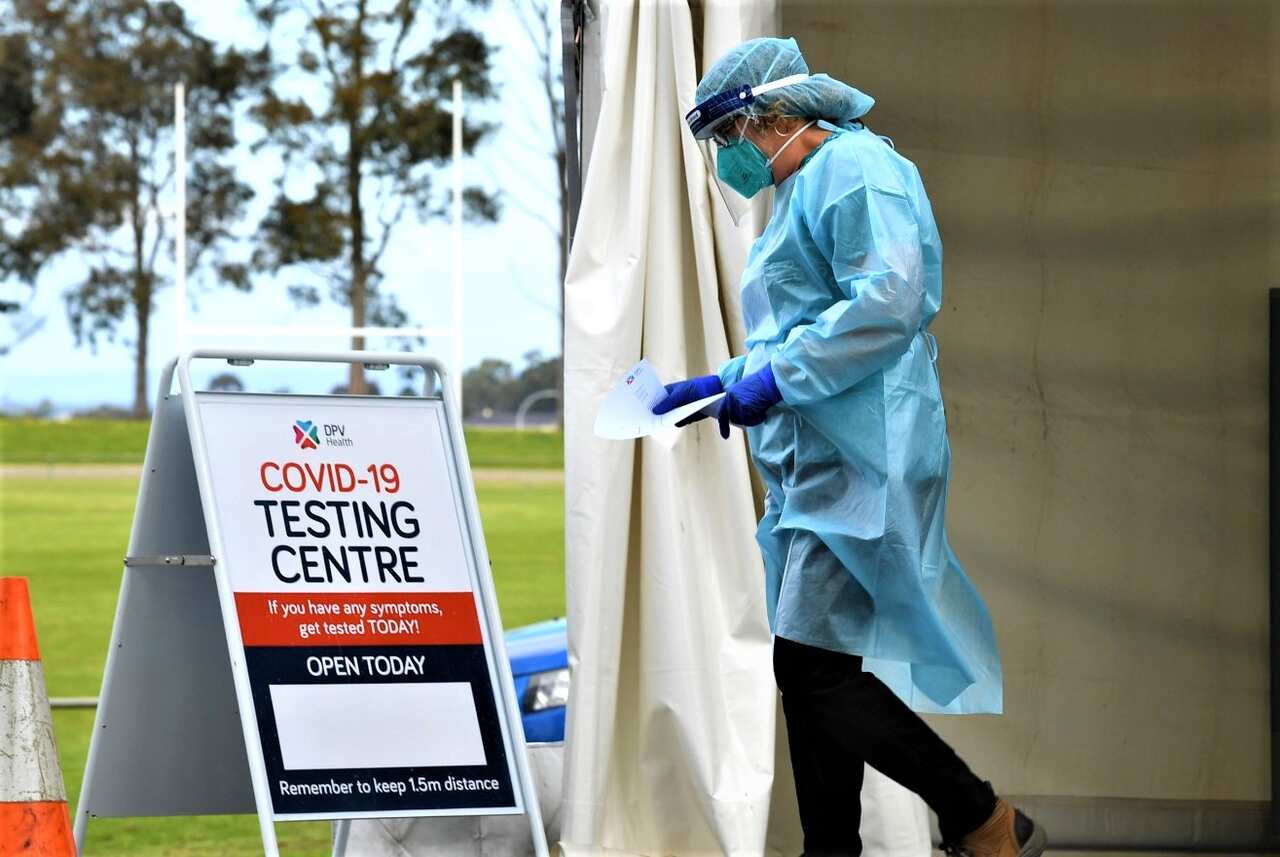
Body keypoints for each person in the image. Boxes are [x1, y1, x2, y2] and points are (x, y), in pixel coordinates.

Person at [654, 37, 1047, 857]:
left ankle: (982, 816)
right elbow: (802, 324)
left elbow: (890, 300)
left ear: (774, 117)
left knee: (814, 670)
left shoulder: (855, 170)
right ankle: (834, 848)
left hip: (867, 452)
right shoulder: (805, 188)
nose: (729, 156)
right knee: (811, 669)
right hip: (830, 458)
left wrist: (777, 378)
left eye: (731, 136)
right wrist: (728, 377)